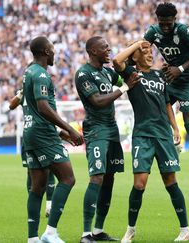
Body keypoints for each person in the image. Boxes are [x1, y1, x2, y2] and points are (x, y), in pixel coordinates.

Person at [113, 40, 189, 242]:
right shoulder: (131, 73)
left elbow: (167, 105)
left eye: (150, 51)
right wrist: (137, 43)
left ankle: (185, 229)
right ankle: (130, 229)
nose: (149, 54)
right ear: (135, 56)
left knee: (171, 182)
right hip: (143, 135)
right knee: (139, 184)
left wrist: (175, 127)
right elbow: (116, 59)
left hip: (163, 135)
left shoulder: (158, 75)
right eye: (144, 51)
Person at [75, 36, 140, 243]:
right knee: (97, 177)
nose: (109, 49)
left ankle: (98, 230)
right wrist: (124, 88)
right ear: (93, 51)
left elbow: (125, 77)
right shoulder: (84, 74)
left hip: (112, 130)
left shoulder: (106, 72)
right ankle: (85, 234)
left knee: (109, 179)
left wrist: (133, 53)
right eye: (104, 47)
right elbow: (97, 101)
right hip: (96, 131)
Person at [22, 36, 84, 243]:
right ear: (47, 52)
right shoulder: (40, 75)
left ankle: (32, 238)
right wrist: (70, 129)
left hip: (31, 133)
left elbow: (33, 110)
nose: (55, 52)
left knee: (38, 187)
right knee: (68, 179)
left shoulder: (28, 72)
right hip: (42, 134)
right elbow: (43, 107)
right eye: (53, 48)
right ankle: (50, 233)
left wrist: (59, 133)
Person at [144, 2, 189, 192]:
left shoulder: (184, 31)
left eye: (168, 23)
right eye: (161, 23)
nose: (165, 27)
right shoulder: (153, 32)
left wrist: (180, 68)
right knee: (157, 109)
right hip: (170, 77)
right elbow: (142, 48)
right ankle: (175, 141)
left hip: (188, 79)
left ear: (175, 19)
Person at [9, 89, 56, 218]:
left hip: (44, 135)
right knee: (31, 171)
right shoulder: (24, 93)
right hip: (30, 137)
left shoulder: (43, 92)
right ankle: (33, 203)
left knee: (50, 168)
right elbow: (11, 105)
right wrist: (20, 94)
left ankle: (49, 205)